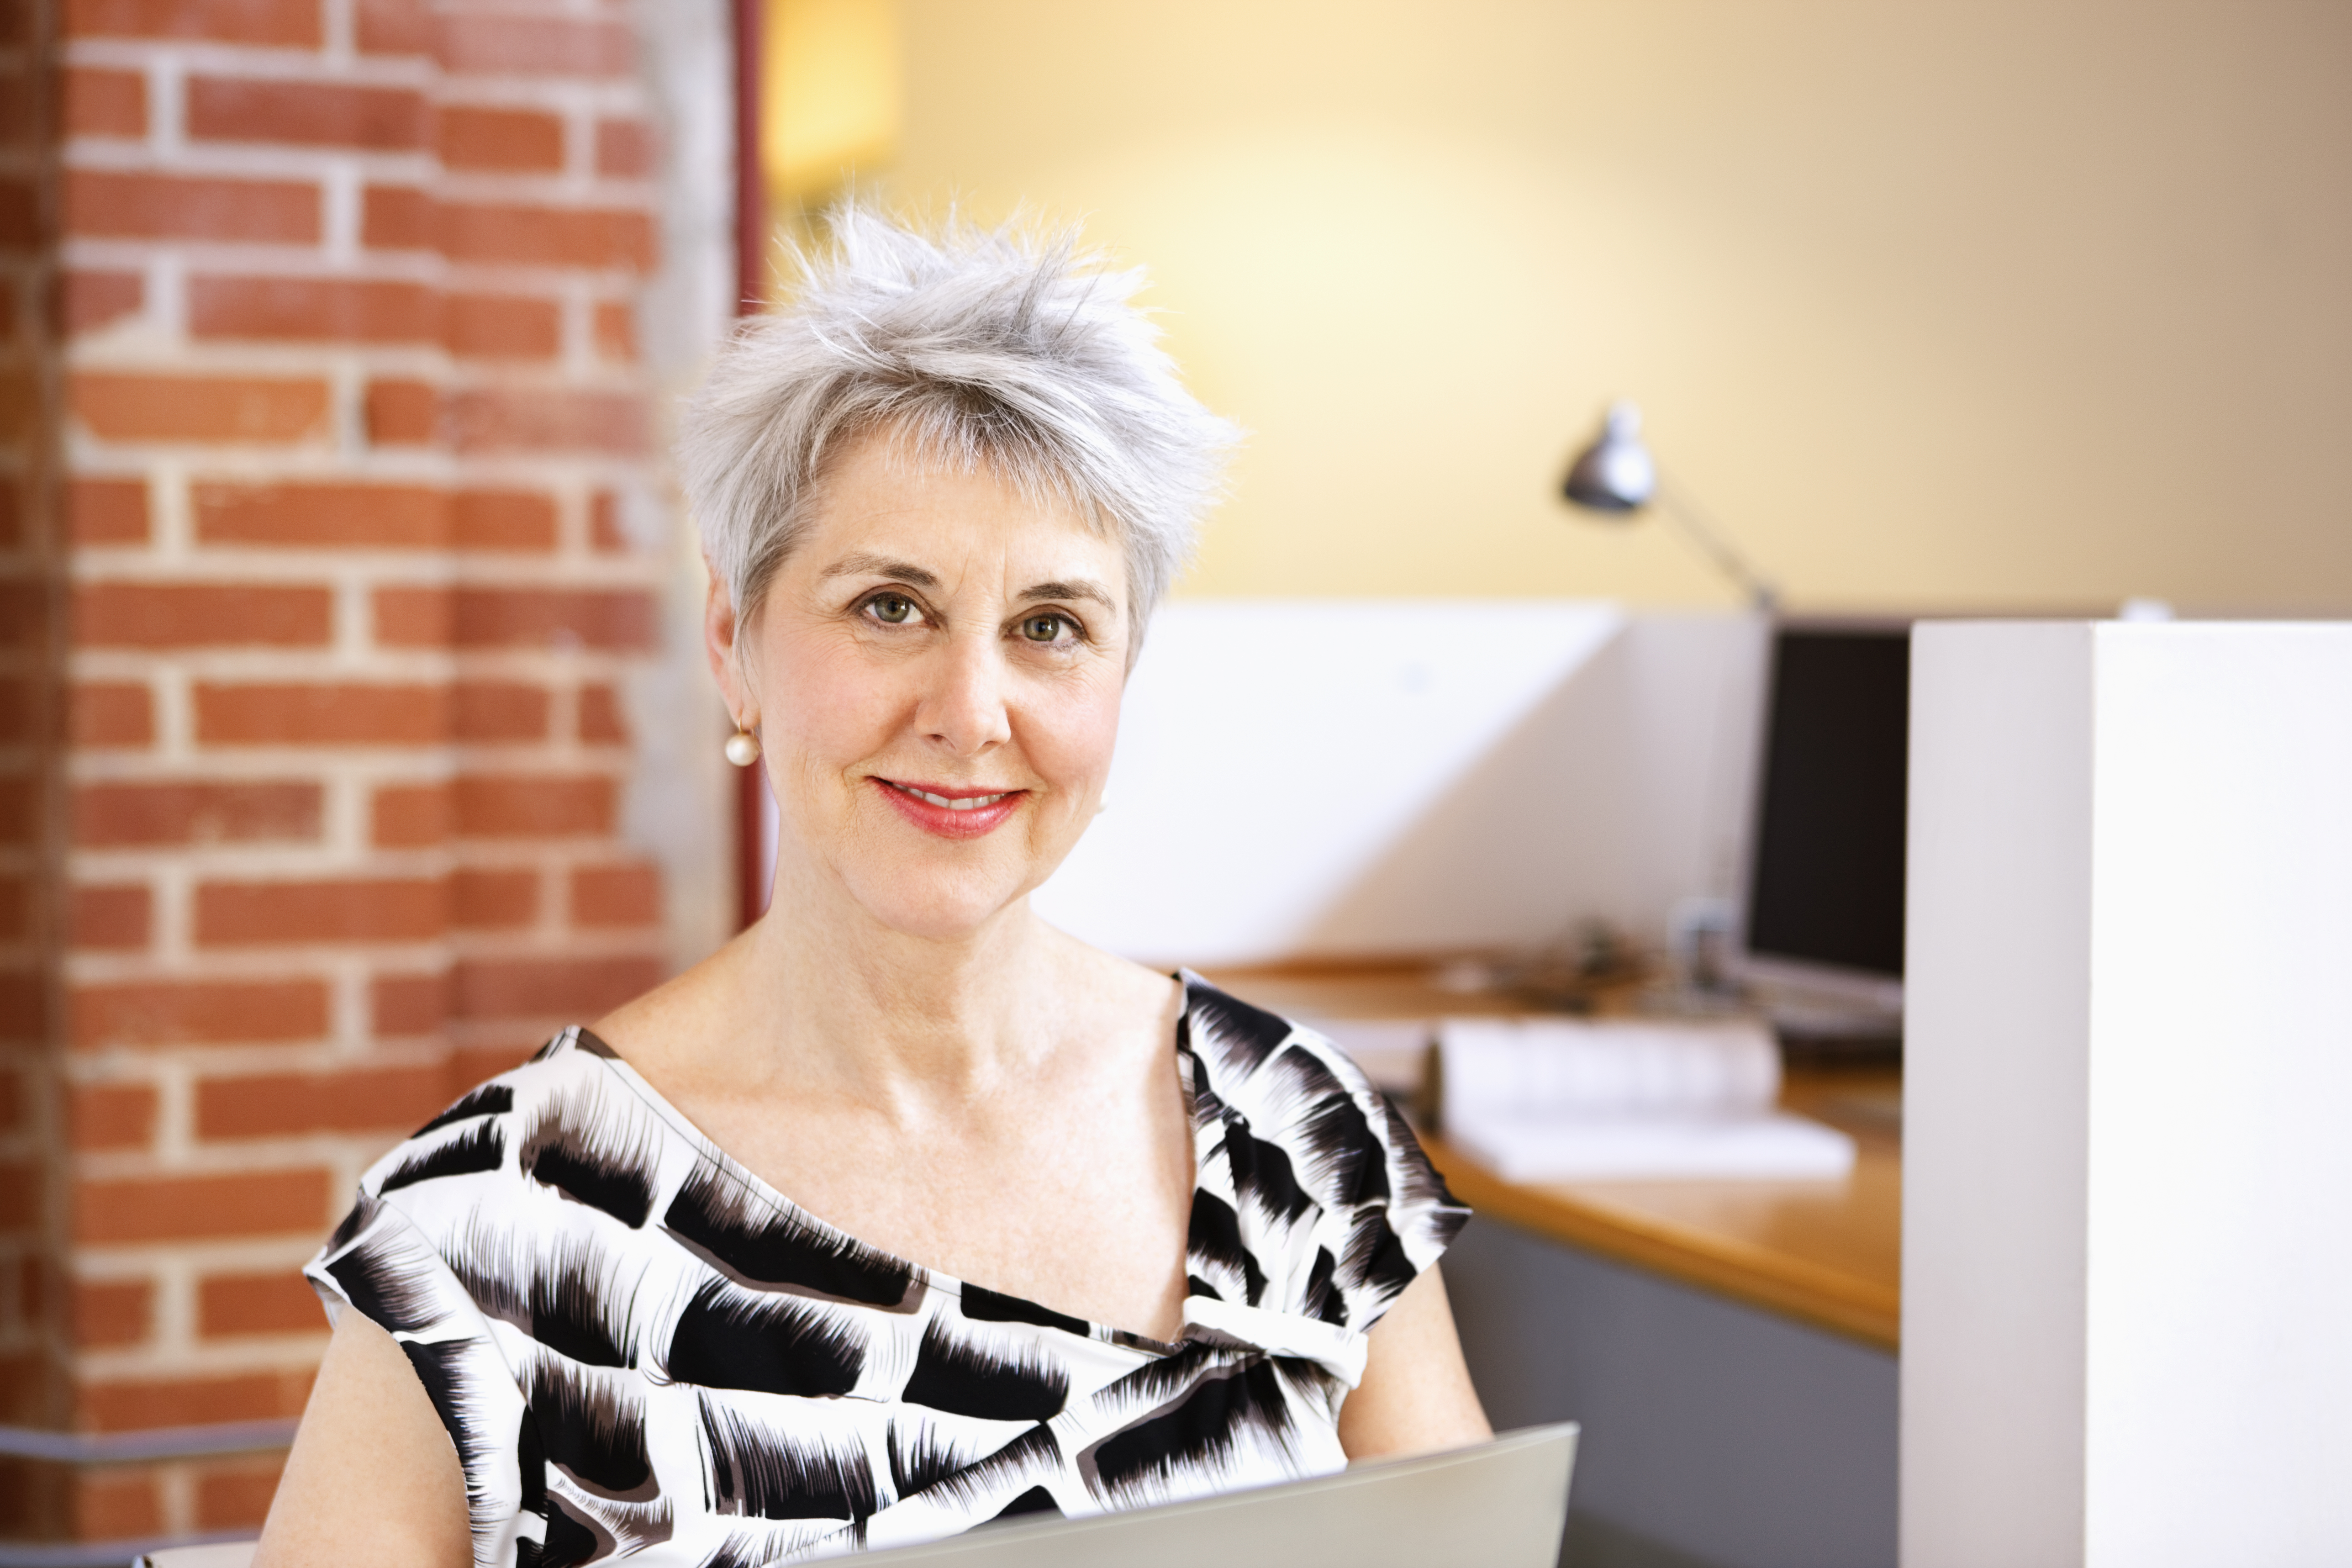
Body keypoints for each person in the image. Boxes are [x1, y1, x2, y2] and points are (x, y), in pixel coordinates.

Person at [254, 209, 1488, 1568]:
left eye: (1050, 626)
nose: (971, 712)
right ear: (735, 641)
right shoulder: (488, 1232)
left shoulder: (1299, 1136)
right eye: (890, 605)